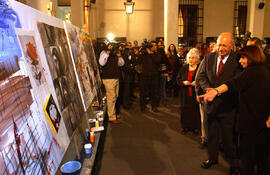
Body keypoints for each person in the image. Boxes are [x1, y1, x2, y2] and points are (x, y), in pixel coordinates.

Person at [200, 45, 270, 175]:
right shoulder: (263, 71)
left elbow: (232, 84)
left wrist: (215, 91)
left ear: (252, 57)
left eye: (243, 57)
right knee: (262, 158)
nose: (240, 61)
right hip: (261, 123)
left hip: (251, 124)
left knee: (248, 159)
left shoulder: (251, 72)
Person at [196, 32, 241, 175]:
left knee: (228, 139)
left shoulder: (237, 60)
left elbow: (236, 83)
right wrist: (207, 90)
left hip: (227, 106)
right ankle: (212, 158)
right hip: (210, 105)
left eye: (224, 46)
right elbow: (201, 76)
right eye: (219, 45)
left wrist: (217, 91)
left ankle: (234, 164)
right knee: (212, 135)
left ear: (232, 46)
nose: (220, 48)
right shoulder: (209, 57)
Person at [177, 48, 201, 134]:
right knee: (184, 111)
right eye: (190, 57)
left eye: (193, 58)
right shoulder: (184, 68)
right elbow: (177, 80)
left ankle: (195, 127)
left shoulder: (200, 68)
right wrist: (183, 82)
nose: (191, 60)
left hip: (195, 94)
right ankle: (185, 127)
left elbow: (204, 80)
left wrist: (197, 83)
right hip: (185, 94)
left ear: (197, 58)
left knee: (195, 111)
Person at [99, 44, 124, 124]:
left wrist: (119, 56)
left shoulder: (115, 54)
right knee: (111, 97)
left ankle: (113, 113)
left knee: (115, 96)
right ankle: (111, 117)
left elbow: (121, 64)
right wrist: (107, 52)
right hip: (108, 78)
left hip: (115, 78)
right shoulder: (103, 52)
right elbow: (101, 63)